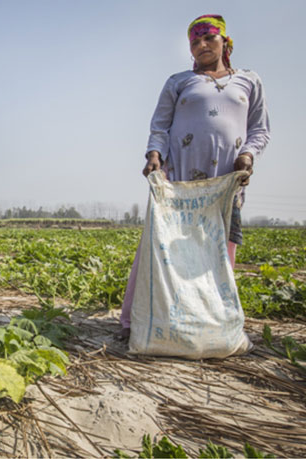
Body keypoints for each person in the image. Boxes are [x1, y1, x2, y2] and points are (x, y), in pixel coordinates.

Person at [119, 14, 270, 338]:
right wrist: (154, 156)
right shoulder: (178, 82)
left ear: (224, 42)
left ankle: (212, 326)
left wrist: (247, 155)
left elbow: (259, 129)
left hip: (224, 182)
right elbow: (159, 126)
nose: (202, 45)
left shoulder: (248, 81)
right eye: (195, 42)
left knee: (218, 252)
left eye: (208, 38)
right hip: (179, 181)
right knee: (162, 250)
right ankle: (136, 322)